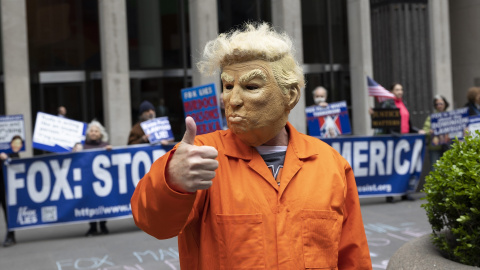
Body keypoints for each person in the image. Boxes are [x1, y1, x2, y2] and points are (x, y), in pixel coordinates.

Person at [131, 22, 372, 269]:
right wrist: (171, 180)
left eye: (251, 87)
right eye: (227, 86)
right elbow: (153, 223)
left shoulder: (330, 164)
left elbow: (354, 258)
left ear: (290, 95)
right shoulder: (201, 158)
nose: (232, 100)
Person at [371, 83, 420, 202]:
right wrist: (374, 115)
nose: (400, 92)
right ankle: (390, 194)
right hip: (394, 139)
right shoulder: (387, 104)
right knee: (393, 167)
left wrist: (418, 131)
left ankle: (404, 192)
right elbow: (382, 121)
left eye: (401, 89)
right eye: (397, 89)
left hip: (406, 139)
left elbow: (408, 123)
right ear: (391, 91)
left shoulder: (404, 103)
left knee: (405, 168)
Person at [83, 120, 111, 236]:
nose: (93, 133)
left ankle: (103, 225)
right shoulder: (83, 146)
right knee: (90, 203)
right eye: (92, 131)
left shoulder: (105, 146)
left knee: (102, 202)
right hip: (88, 180)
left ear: (100, 133)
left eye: (96, 131)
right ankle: (93, 227)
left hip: (102, 182)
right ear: (88, 133)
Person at [422, 95, 450, 171]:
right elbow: (425, 130)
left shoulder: (450, 116)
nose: (439, 106)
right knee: (435, 170)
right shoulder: (431, 117)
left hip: (447, 146)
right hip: (435, 147)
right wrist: (429, 131)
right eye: (437, 104)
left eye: (441, 104)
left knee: (448, 169)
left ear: (445, 104)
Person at [0, 149, 19, 247]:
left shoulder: (7, 138)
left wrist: (7, 157)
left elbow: (15, 156)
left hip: (3, 176)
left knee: (6, 206)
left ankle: (10, 235)